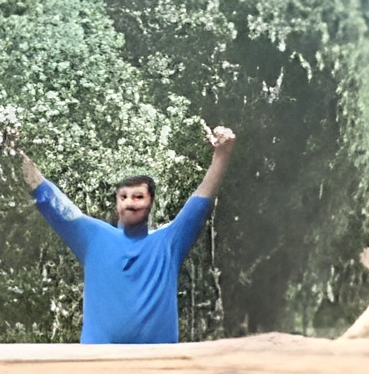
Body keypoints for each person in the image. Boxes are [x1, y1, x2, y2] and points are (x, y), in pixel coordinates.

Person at [24, 124, 234, 344]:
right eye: (123, 197)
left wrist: (222, 154)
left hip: (157, 363)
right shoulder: (93, 236)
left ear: (151, 202)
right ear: (116, 205)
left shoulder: (169, 242)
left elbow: (200, 204)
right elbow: (51, 201)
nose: (130, 203)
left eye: (138, 197)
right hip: (99, 362)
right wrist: (11, 152)